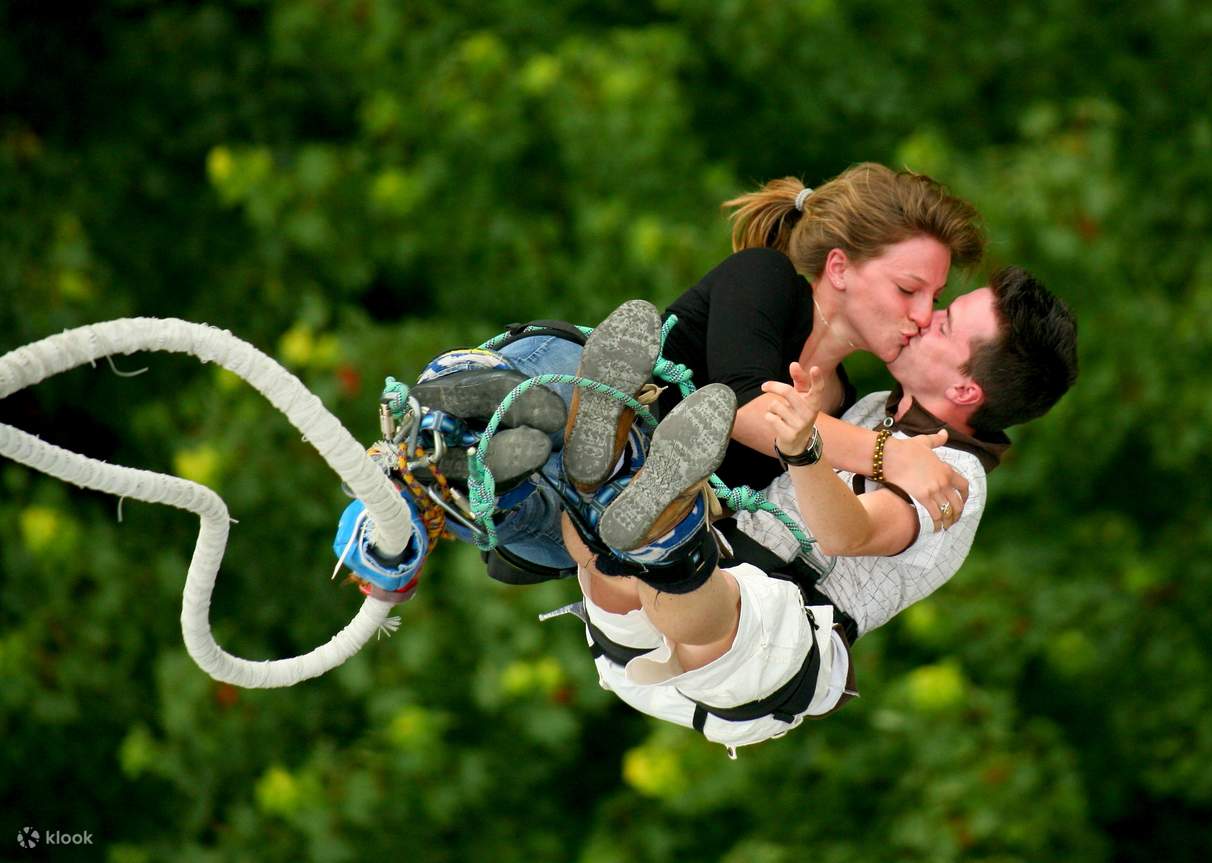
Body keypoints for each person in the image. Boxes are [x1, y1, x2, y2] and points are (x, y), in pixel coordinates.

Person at [352, 162, 989, 581]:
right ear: (842, 269)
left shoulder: (846, 401)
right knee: (578, 403)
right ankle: (500, 431)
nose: (923, 315)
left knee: (608, 525)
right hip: (566, 374)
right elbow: (745, 410)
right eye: (910, 289)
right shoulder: (766, 281)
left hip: (595, 522)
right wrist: (891, 457)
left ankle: (530, 478)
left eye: (932, 298)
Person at [554, 266, 1078, 750]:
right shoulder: (874, 407)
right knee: (600, 548)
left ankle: (652, 528)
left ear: (966, 387)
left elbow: (848, 535)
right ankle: (597, 481)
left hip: (772, 644)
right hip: (662, 623)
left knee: (710, 599)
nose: (923, 320)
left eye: (944, 325)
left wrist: (805, 451)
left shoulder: (958, 477)